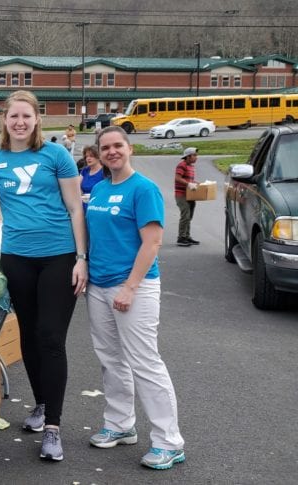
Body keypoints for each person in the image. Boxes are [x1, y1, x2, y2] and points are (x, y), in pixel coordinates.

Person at [0, 90, 88, 462]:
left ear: (37, 120)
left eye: (26, 117)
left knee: (50, 337)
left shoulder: (56, 155)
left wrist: (81, 257)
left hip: (59, 258)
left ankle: (53, 425)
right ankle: (40, 403)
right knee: (28, 339)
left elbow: (75, 209)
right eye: (13, 116)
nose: (20, 122)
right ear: (5, 120)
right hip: (17, 259)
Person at [85, 126, 185, 470]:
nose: (112, 151)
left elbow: (152, 243)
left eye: (118, 146)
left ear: (129, 149)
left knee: (144, 362)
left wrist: (129, 287)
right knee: (111, 359)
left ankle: (169, 442)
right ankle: (120, 424)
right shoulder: (98, 189)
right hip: (98, 287)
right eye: (106, 147)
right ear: (99, 153)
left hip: (133, 287)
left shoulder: (143, 189)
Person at [173, 147, 200, 247]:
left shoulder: (191, 167)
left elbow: (190, 181)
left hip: (190, 194)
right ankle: (181, 237)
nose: (196, 157)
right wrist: (189, 184)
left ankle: (187, 236)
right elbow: (178, 178)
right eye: (194, 155)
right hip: (181, 194)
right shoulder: (181, 165)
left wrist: (198, 184)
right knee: (185, 214)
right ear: (188, 156)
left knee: (189, 216)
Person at [78, 144, 109, 209]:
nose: (88, 158)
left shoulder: (105, 172)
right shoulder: (85, 170)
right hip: (83, 202)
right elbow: (77, 185)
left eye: (91, 156)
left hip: (99, 204)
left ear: (98, 157)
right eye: (86, 156)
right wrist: (81, 193)